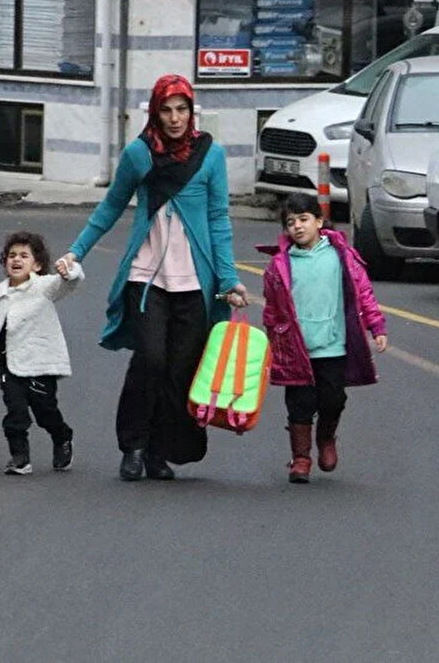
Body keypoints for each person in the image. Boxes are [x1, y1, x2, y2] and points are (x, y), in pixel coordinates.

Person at [55, 74, 248, 481]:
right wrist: (76, 251)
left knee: (179, 370)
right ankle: (134, 446)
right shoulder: (139, 154)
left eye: (182, 110)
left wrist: (228, 279)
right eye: (166, 110)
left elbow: (219, 219)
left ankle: (159, 451)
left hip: (195, 283)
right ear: (155, 114)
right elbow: (110, 207)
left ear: (192, 112)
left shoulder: (210, 155)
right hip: (146, 280)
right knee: (150, 360)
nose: (175, 118)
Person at [258, 194, 388, 484]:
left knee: (333, 399)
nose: (297, 227)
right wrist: (272, 341)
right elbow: (272, 309)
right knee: (299, 404)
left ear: (319, 221)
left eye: (304, 219)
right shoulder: (280, 265)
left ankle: (326, 436)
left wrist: (376, 327)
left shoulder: (341, 257)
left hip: (332, 345)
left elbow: (363, 294)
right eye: (291, 222)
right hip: (296, 348)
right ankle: (301, 459)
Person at [0, 231, 84, 475]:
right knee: (15, 413)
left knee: (45, 412)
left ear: (37, 265)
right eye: (12, 255)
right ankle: (20, 457)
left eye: (24, 256)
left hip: (40, 366)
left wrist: (69, 271)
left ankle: (62, 437)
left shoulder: (44, 287)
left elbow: (68, 283)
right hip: (10, 367)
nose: (17, 260)